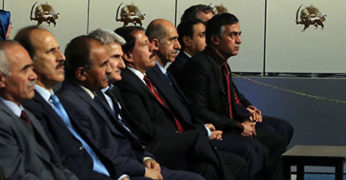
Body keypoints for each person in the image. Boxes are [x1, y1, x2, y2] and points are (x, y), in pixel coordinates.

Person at [114, 25, 248, 180]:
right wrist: (188, 136)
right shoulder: (126, 83)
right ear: (128, 56)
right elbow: (146, 130)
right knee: (198, 140)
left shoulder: (149, 76)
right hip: (156, 146)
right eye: (145, 44)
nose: (152, 48)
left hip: (177, 140)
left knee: (218, 167)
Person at [181, 14, 294, 180]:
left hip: (229, 125)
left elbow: (230, 98)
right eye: (232, 35)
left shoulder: (222, 63)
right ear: (214, 39)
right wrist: (239, 126)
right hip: (215, 131)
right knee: (256, 148)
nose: (239, 41)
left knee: (275, 139)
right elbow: (199, 111)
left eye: (239, 34)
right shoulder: (199, 65)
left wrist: (245, 117)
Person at [57, 35, 173, 180]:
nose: (108, 70)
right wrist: (141, 171)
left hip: (135, 161)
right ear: (81, 73)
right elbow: (99, 152)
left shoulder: (96, 93)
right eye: (102, 65)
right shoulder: (72, 101)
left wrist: (146, 158)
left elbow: (125, 135)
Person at [15, 26, 113, 179]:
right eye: (50, 51)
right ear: (28, 60)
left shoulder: (58, 100)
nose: (62, 57)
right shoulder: (29, 108)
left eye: (59, 49)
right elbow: (60, 163)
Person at [0, 39, 78, 179]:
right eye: (25, 70)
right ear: (2, 80)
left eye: (31, 68)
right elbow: (16, 176)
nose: (33, 76)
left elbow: (55, 166)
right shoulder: (2, 122)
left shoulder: (25, 114)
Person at [167, 18, 207, 82]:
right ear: (187, 40)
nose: (207, 40)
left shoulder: (195, 62)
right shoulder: (184, 67)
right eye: (202, 36)